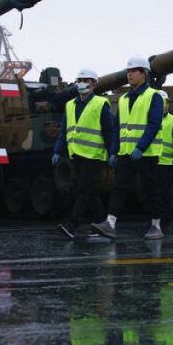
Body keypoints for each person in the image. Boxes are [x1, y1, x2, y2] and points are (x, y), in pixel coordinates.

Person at [90, 56, 165, 240]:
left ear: (144, 74)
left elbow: (154, 125)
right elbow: (117, 128)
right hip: (125, 153)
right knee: (119, 188)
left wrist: (141, 147)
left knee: (150, 191)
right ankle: (110, 223)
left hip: (146, 154)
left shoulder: (153, 96)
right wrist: (114, 150)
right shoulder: (123, 99)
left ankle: (156, 225)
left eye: (133, 71)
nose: (129, 74)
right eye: (128, 71)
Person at [52, 68, 115, 239]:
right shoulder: (70, 105)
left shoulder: (100, 104)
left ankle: (71, 225)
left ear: (94, 84)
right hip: (76, 155)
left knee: (83, 190)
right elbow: (64, 131)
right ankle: (104, 226)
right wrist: (58, 150)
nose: (82, 84)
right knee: (90, 191)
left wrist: (111, 152)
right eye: (79, 80)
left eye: (86, 81)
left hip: (93, 155)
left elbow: (109, 131)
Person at [155, 91, 173, 232]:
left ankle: (164, 222)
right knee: (152, 195)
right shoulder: (148, 119)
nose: (164, 106)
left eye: (165, 103)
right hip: (152, 163)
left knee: (165, 196)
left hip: (167, 164)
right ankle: (154, 222)